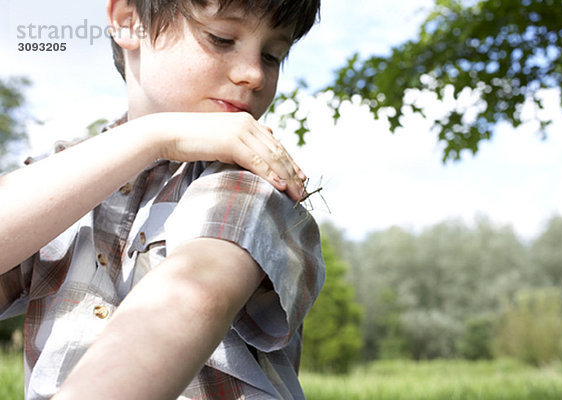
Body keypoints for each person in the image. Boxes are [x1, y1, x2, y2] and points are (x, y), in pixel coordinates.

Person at [0, 0, 325, 399]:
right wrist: (154, 136)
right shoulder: (61, 175)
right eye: (221, 38)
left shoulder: (254, 183)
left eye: (273, 56)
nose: (254, 74)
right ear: (128, 21)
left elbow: (194, 296)